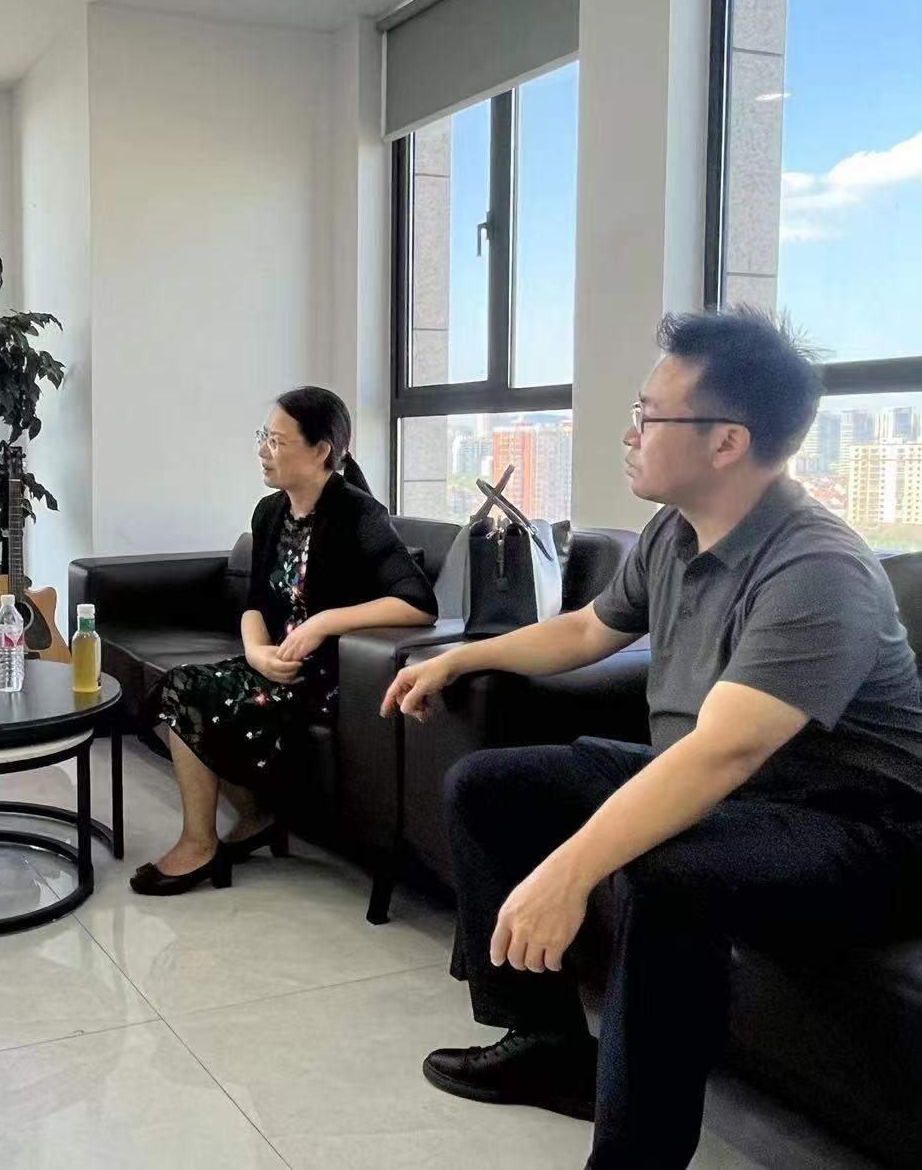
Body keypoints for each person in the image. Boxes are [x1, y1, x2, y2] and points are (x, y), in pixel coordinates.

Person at [383, 308, 922, 1169]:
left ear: (727, 442)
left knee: (665, 875)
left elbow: (724, 752)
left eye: (649, 414)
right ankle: (549, 1045)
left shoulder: (817, 568)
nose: (629, 434)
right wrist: (459, 657)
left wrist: (569, 870)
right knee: (489, 788)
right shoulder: (674, 532)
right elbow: (587, 630)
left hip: (858, 827)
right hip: (740, 793)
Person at [131, 386, 438, 896]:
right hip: (275, 664)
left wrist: (323, 623)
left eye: (276, 441)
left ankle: (199, 843)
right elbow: (255, 602)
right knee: (171, 691)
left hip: (326, 676)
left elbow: (418, 601)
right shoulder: (270, 512)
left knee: (189, 693)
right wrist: (256, 652)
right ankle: (258, 812)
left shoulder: (358, 514)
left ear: (321, 451)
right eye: (263, 437)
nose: (263, 451)